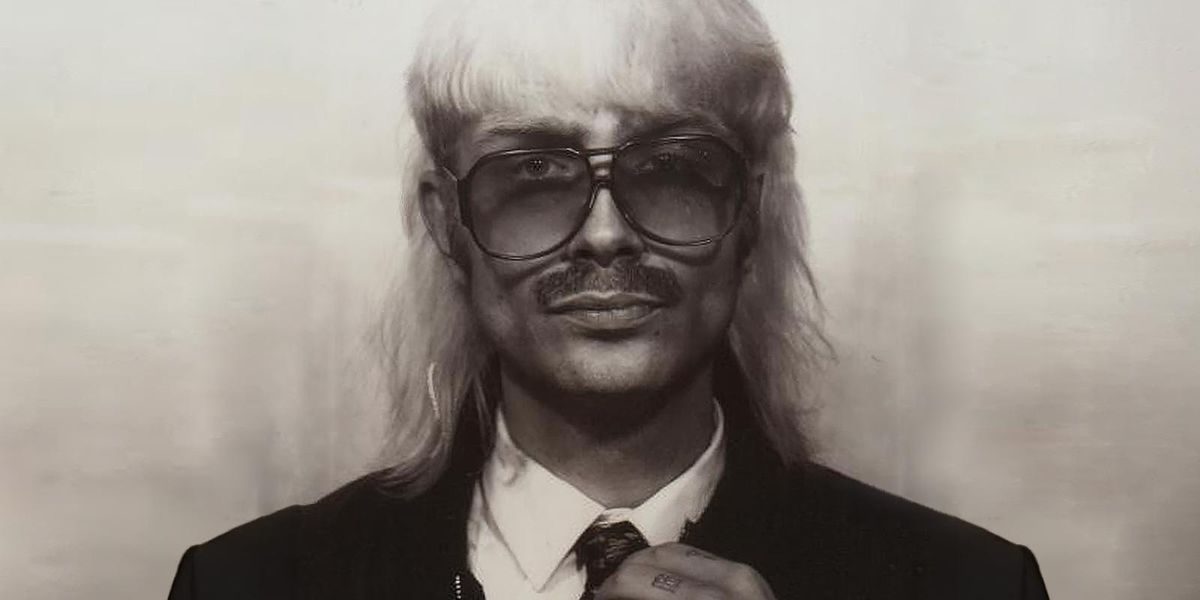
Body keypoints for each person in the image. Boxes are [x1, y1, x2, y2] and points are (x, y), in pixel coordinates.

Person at [168, 1, 1050, 598]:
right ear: (446, 225)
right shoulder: (252, 585)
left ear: (750, 215)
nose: (604, 234)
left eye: (670, 166)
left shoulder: (965, 585)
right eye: (533, 172)